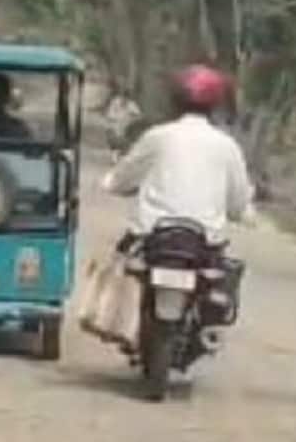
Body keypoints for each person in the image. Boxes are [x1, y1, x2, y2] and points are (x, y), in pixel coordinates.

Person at [79, 65, 253, 350]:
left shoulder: (157, 137)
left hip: (153, 237)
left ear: (175, 100)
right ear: (216, 104)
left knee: (118, 262)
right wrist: (242, 212)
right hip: (204, 243)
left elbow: (123, 177)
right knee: (223, 275)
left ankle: (119, 323)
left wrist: (111, 183)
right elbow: (239, 201)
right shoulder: (227, 146)